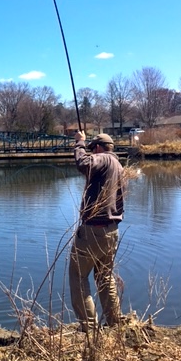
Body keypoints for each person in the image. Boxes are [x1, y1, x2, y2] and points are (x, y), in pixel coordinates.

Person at [69, 130, 125, 332]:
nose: (92, 153)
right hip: (111, 231)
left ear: (99, 148)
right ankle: (114, 323)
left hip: (93, 230)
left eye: (93, 149)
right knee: (105, 277)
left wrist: (80, 143)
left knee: (78, 277)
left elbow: (83, 164)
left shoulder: (102, 159)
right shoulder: (118, 165)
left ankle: (89, 329)